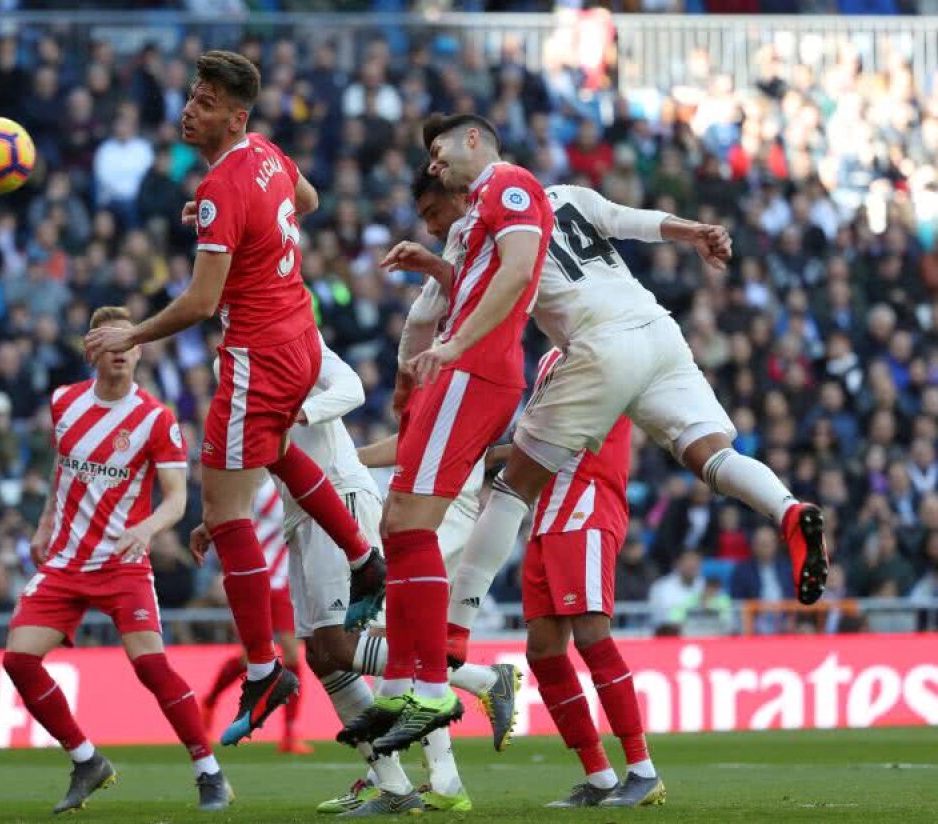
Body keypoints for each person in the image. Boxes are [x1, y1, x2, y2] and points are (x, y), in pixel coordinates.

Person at [83, 50, 386, 746]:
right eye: (192, 96)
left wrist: (135, 333)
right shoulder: (269, 157)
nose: (191, 108)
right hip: (301, 338)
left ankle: (263, 668)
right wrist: (234, 220)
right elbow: (304, 203)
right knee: (275, 453)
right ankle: (363, 555)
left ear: (235, 116)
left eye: (207, 101)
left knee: (222, 513)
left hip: (257, 355)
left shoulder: (223, 185)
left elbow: (201, 300)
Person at [441, 184, 829, 667]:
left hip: (598, 344)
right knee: (710, 454)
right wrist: (694, 232)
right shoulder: (564, 195)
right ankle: (787, 510)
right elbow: (631, 220)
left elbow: (491, 299)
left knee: (511, 490)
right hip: (657, 329)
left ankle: (455, 631)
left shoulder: (484, 229)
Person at [340, 112, 552, 757]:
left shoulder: (508, 183)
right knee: (399, 525)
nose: (434, 165)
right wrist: (437, 266)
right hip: (463, 369)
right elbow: (488, 280)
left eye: (438, 153)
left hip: (474, 369)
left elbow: (519, 274)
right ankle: (412, 682)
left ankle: (429, 687)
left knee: (408, 526)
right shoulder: (481, 207)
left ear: (472, 141)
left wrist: (456, 342)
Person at [321, 168, 521, 815]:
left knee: (384, 641)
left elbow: (416, 449)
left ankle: (481, 686)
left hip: (450, 505)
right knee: (397, 645)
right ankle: (439, 782)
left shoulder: (460, 362)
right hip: (431, 500)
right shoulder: (438, 359)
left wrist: (339, 456)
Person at [3, 305, 230, 814]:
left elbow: (175, 497)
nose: (124, 353)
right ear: (93, 350)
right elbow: (62, 472)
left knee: (150, 666)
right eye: (113, 344)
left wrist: (145, 529)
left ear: (142, 349)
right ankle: (87, 760)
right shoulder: (64, 403)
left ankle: (208, 771)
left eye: (132, 343)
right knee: (18, 659)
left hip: (122, 562)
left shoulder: (155, 418)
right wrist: (44, 525)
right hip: (65, 560)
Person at [520, 350, 664, 808]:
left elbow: (564, 435)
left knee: (591, 637)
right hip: (545, 514)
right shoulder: (549, 360)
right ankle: (600, 776)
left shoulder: (606, 353)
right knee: (542, 651)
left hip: (585, 507)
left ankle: (643, 770)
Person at [201, 478, 311, 755]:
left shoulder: (296, 484)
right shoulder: (258, 486)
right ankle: (210, 700)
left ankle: (289, 733)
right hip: (257, 575)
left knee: (292, 655)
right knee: (250, 656)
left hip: (285, 580)